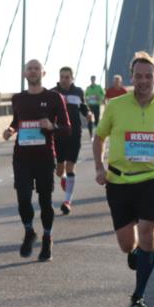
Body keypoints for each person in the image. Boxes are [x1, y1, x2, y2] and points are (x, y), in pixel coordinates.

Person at [93, 52, 154, 307]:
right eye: (138, 76)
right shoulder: (115, 106)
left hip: (150, 179)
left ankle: (139, 296)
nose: (143, 81)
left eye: (148, 76)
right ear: (132, 77)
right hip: (118, 181)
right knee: (127, 244)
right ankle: (134, 253)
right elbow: (98, 138)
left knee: (148, 234)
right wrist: (100, 167)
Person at [3, 59, 70, 261]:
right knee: (23, 199)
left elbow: (67, 129)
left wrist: (52, 126)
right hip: (22, 157)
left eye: (36, 69)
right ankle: (29, 231)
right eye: (29, 69)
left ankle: (47, 238)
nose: (33, 72)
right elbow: (17, 121)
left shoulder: (54, 98)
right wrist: (11, 129)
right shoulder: (18, 99)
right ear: (24, 74)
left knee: (45, 201)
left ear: (43, 73)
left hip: (44, 157)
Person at [52, 66, 93, 215]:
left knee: (70, 167)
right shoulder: (53, 92)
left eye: (67, 77)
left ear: (72, 78)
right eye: (62, 76)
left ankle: (67, 201)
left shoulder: (78, 91)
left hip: (75, 134)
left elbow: (83, 106)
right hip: (58, 135)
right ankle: (63, 178)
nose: (64, 79)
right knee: (59, 170)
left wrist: (88, 113)